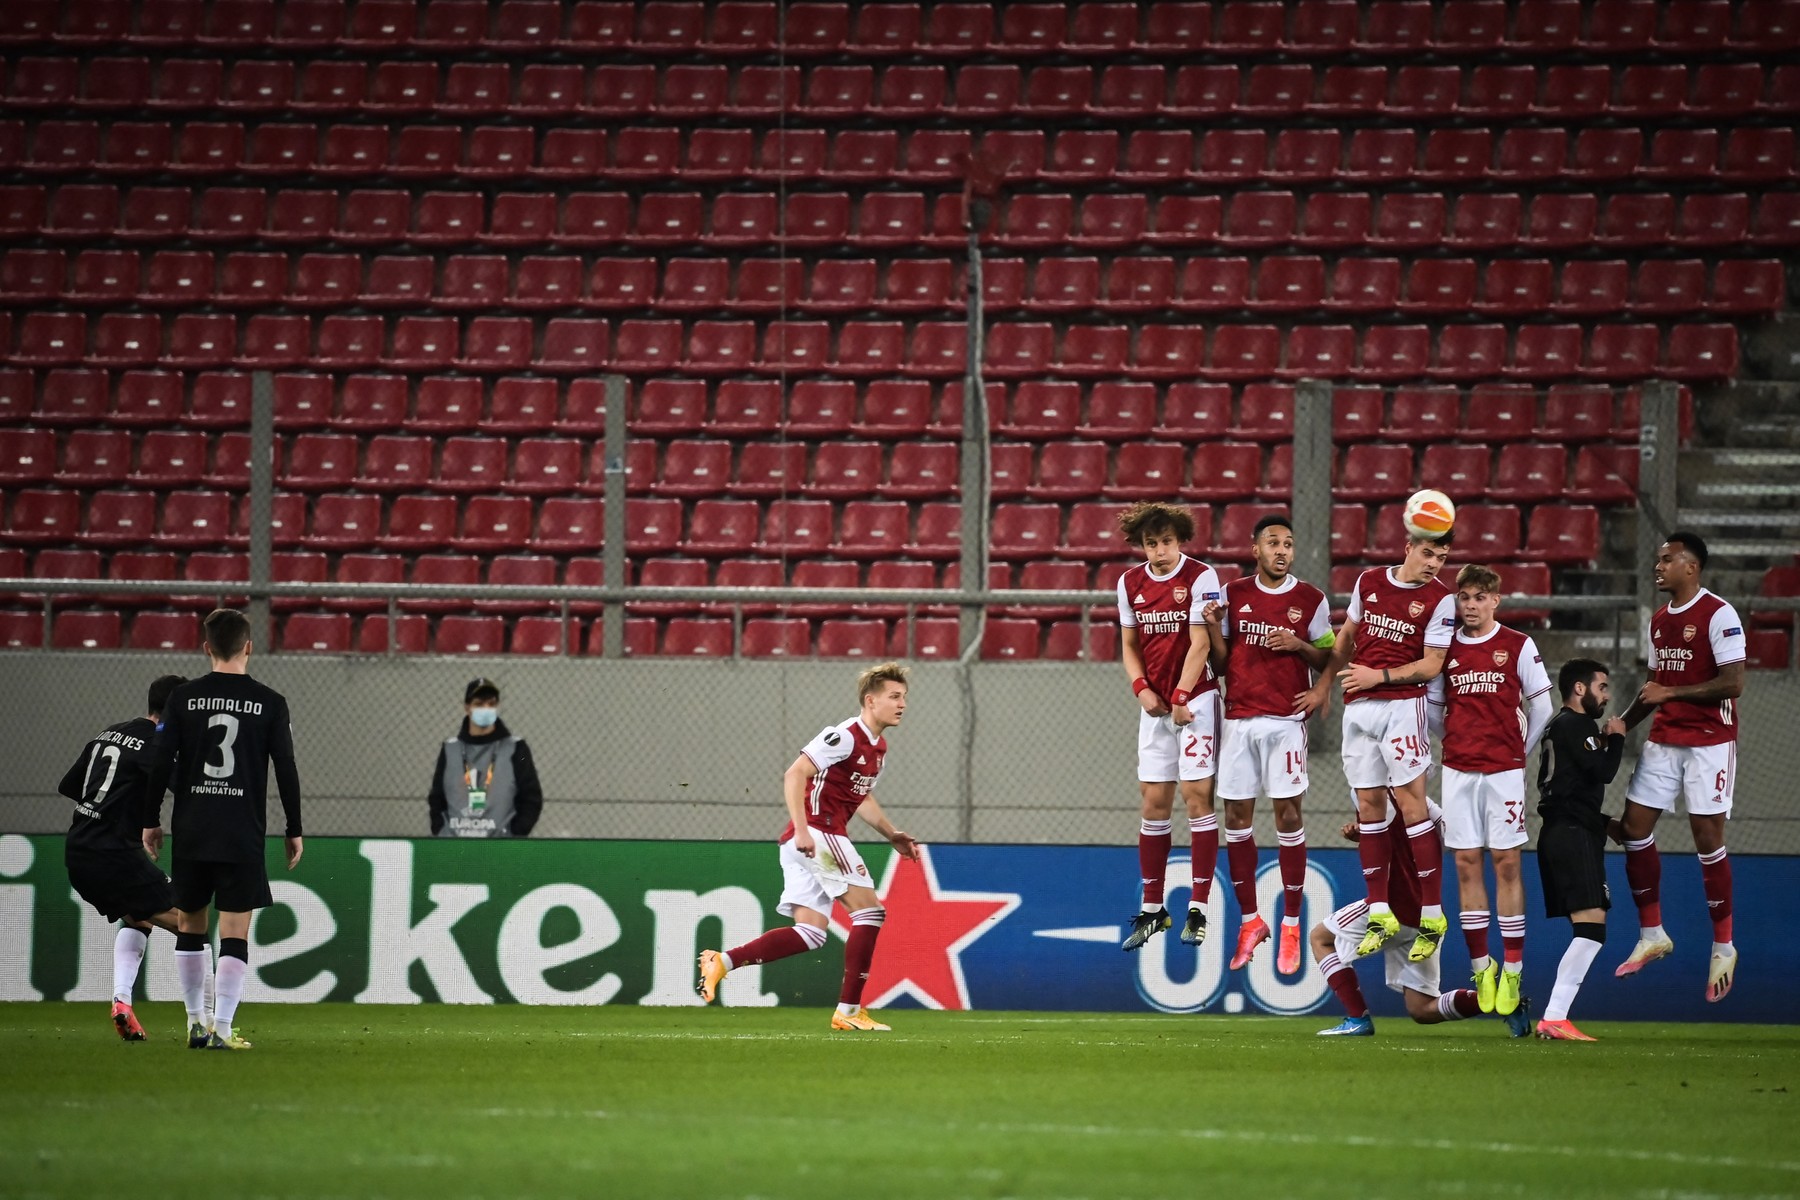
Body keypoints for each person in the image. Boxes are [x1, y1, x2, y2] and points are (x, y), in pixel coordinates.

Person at [697, 663, 921, 1031]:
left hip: (807, 839)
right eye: (894, 697)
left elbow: (860, 798)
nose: (902, 704)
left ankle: (723, 961)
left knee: (812, 933)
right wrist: (802, 829)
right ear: (871, 700)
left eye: (904, 698)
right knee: (869, 914)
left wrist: (891, 833)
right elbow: (795, 773)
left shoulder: (878, 747)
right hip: (818, 834)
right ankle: (848, 1012)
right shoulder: (845, 735)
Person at [142, 608, 303, 1051]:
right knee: (234, 930)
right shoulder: (271, 703)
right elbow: (285, 767)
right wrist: (294, 826)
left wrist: (150, 818)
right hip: (241, 831)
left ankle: (196, 1023)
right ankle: (224, 1029)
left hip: (192, 828)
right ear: (249, 646)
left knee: (191, 926)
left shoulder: (182, 699)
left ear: (206, 647)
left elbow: (160, 762)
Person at [1301, 527, 1455, 961]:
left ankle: (1432, 912)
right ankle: (1381, 911)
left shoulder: (1440, 599)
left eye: (1440, 558)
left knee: (1412, 805)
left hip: (1403, 707)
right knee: (1369, 806)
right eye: (1428, 553)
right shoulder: (1369, 581)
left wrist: (1379, 677)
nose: (1433, 564)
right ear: (1407, 547)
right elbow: (1346, 636)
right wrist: (1325, 684)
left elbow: (1432, 664)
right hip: (1359, 706)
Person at [1614, 532, 1746, 1002]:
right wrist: (1622, 725)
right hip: (1666, 739)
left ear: (1692, 567)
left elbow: (1733, 684)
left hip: (1710, 741)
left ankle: (1723, 946)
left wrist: (1670, 694)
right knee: (1633, 828)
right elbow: (1654, 687)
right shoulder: (1658, 621)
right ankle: (1653, 934)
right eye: (1658, 559)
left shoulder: (1719, 613)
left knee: (1707, 838)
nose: (1659, 566)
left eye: (1667, 560)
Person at [1199, 513, 1333, 975]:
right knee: (1235, 819)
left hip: (1285, 722)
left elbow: (1330, 655)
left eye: (1288, 544)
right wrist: (1215, 627)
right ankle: (1251, 921)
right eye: (1273, 543)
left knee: (1289, 816)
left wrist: (1307, 662)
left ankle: (1292, 923)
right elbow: (1219, 662)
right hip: (1239, 720)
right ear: (1255, 550)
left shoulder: (1310, 599)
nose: (1281, 550)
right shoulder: (1233, 594)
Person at [1425, 565, 1554, 1017]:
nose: (1472, 605)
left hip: (1504, 773)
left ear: (1496, 600)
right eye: (1465, 597)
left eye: (1481, 597)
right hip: (1459, 770)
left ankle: (1514, 968)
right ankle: (1482, 966)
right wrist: (1456, 741)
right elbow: (1436, 710)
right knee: (1464, 864)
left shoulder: (1518, 644)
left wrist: (1520, 750)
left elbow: (1542, 705)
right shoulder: (1447, 647)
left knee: (1506, 864)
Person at [1312, 807, 1532, 1039]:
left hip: (1390, 908)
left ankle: (1357, 1018)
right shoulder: (1423, 804)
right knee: (1422, 1009)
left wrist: (1370, 835)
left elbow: (1384, 840)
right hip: (1426, 917)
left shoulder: (1376, 794)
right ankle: (1504, 1003)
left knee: (1321, 938)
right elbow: (1442, 831)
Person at [1112, 501, 1224, 953]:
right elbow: (1128, 643)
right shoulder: (1129, 582)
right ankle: (1154, 907)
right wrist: (1141, 688)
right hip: (1156, 707)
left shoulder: (1200, 576)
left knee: (1197, 796)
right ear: (1142, 544)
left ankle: (1198, 906)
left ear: (1180, 540)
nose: (1159, 550)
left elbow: (1201, 643)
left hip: (1195, 701)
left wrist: (1180, 695)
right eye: (1151, 543)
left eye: (1167, 542)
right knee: (1153, 802)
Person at [59, 673, 193, 1041]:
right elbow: (185, 790)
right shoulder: (157, 745)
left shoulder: (109, 732)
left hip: (78, 847)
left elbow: (69, 786)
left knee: (141, 920)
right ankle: (207, 1019)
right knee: (189, 921)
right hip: (113, 853)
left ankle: (122, 1002)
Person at [1533, 659, 1627, 1041]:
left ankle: (1555, 1017)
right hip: (1572, 836)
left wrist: (1604, 824)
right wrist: (1617, 737)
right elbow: (1602, 772)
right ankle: (1554, 1016)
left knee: (1588, 927)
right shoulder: (1578, 724)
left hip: (1562, 831)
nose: (1606, 695)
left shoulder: (1558, 725)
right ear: (1579, 689)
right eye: (1601, 687)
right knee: (1591, 929)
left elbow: (1569, 788)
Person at [428, 677, 544, 838]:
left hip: (500, 847)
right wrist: (441, 831)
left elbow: (531, 797)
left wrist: (514, 833)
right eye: (479, 704)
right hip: (454, 845)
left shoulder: (516, 748)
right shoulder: (450, 749)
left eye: (491, 704)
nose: (486, 708)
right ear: (467, 708)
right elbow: (437, 798)